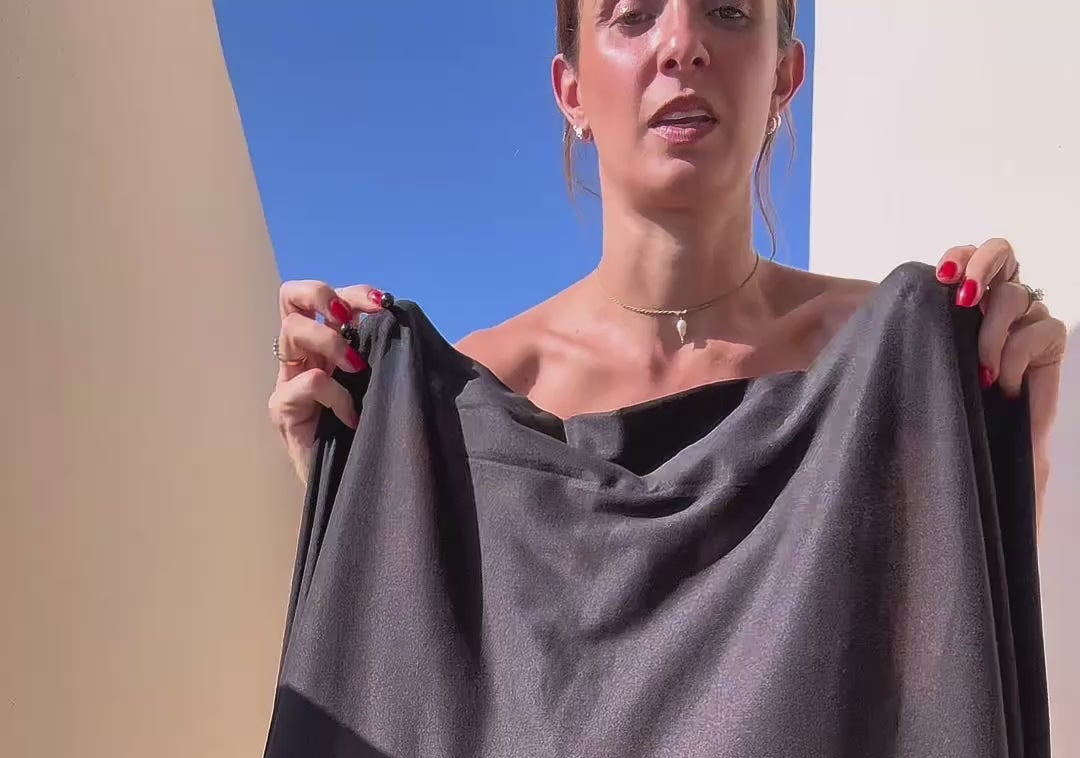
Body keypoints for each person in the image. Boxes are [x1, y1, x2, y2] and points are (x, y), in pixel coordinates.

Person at [269, 0, 1066, 511]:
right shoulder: (472, 396)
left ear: (785, 76)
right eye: (634, 15)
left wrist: (1008, 436)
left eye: (728, 10)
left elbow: (946, 656)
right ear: (572, 92)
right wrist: (345, 487)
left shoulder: (887, 360)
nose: (683, 45)